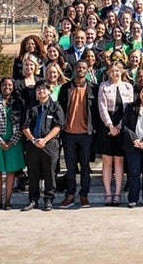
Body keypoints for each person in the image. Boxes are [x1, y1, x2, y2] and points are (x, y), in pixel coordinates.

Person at [20, 80, 65, 211]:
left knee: (50, 173)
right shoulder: (30, 107)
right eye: (38, 89)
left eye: (44, 88)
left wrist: (45, 140)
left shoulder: (55, 106)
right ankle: (33, 200)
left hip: (50, 144)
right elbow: (25, 126)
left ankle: (49, 199)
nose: (41, 91)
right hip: (33, 144)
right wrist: (34, 140)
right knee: (33, 173)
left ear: (49, 90)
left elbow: (58, 126)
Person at [57, 60, 96, 208]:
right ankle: (70, 195)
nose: (80, 69)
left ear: (87, 70)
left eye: (83, 68)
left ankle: (84, 195)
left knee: (85, 167)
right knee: (70, 167)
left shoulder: (93, 88)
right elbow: (60, 109)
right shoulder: (65, 88)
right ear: (74, 69)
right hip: (68, 133)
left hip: (86, 133)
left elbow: (96, 111)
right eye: (78, 67)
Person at [0, 77, 25, 210]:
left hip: (13, 141)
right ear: (0, 87)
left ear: (13, 87)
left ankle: (8, 202)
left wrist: (11, 141)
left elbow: (22, 124)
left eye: (10, 85)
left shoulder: (18, 103)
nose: (7, 87)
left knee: (11, 171)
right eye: (4, 85)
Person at [97, 62, 135, 206]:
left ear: (122, 72)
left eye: (117, 71)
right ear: (108, 72)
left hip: (121, 126)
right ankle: (108, 193)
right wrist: (110, 126)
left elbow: (129, 108)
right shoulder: (104, 86)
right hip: (107, 127)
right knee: (107, 161)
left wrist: (119, 126)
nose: (115, 73)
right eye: (112, 71)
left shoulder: (128, 87)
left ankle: (117, 193)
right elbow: (102, 107)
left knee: (119, 161)